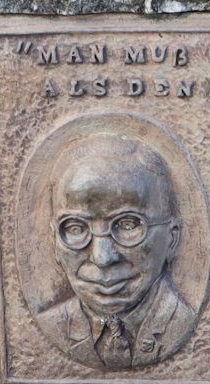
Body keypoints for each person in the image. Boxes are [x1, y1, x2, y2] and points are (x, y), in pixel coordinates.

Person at [39, 131, 198, 368]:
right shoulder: (52, 325)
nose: (102, 257)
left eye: (128, 225)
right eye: (75, 228)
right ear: (54, 241)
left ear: (172, 239)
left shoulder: (184, 323)